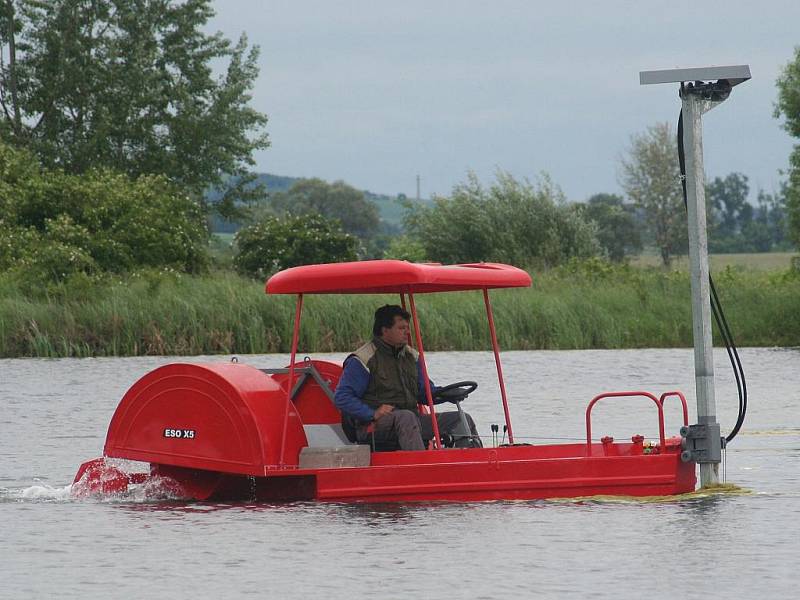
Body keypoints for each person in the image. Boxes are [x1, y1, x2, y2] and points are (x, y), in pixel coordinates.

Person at [334, 304, 481, 450]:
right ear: (385, 330)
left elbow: (425, 393)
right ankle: (422, 467)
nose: (407, 332)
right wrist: (372, 413)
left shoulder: (412, 357)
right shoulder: (363, 359)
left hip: (411, 422)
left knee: (461, 419)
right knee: (406, 417)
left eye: (407, 327)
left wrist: (447, 394)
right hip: (372, 427)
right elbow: (342, 397)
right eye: (401, 328)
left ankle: (475, 463)